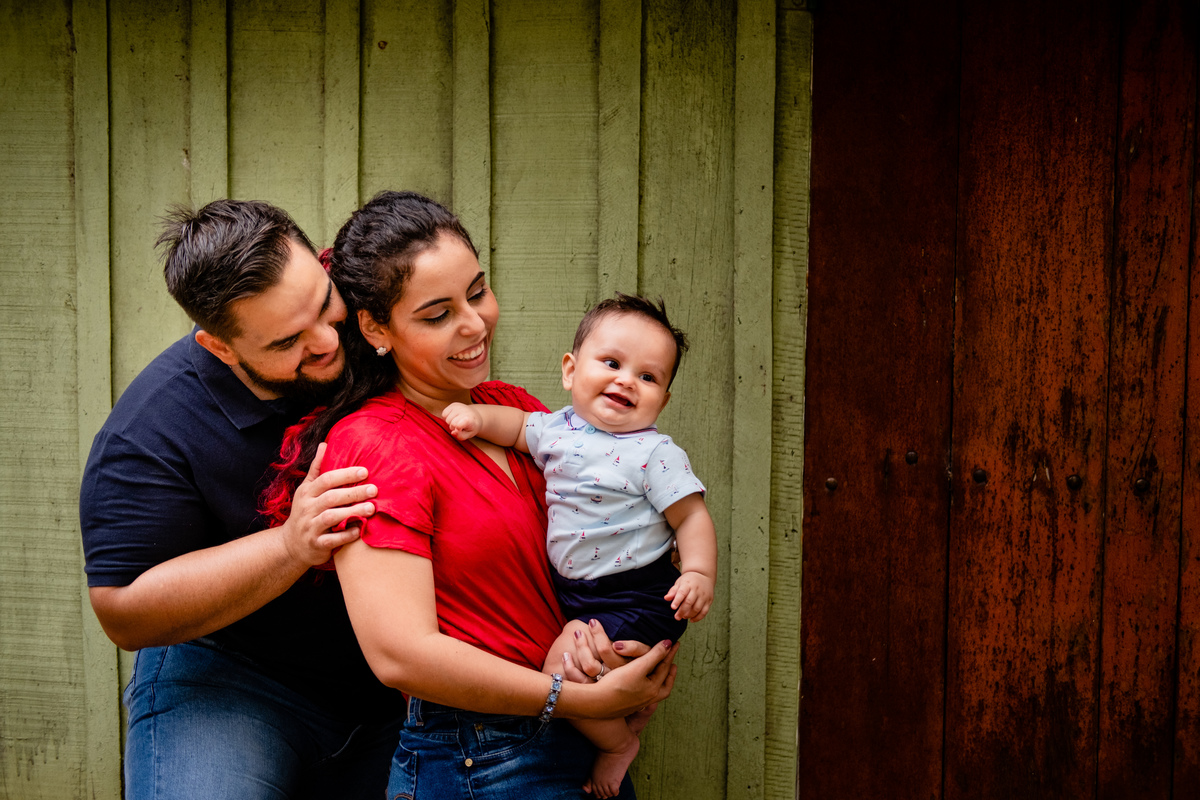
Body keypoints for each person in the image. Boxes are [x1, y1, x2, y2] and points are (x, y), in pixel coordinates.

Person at [262, 190, 678, 799]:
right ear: (376, 328)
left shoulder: (511, 410)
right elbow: (401, 655)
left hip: (580, 736)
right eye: (436, 314)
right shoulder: (375, 444)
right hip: (480, 757)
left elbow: (610, 538)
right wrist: (577, 696)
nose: (474, 323)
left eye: (477, 291)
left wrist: (625, 648)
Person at [78, 199, 406, 800]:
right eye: (287, 341)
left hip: (405, 679)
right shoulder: (150, 430)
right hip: (234, 678)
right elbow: (122, 610)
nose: (327, 340)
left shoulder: (372, 301)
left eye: (322, 303)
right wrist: (289, 545)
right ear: (220, 348)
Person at [441, 293, 717, 797]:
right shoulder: (559, 427)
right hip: (579, 592)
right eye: (611, 363)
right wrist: (479, 420)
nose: (626, 380)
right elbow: (519, 428)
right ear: (571, 370)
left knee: (561, 670)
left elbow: (691, 516)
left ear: (664, 399)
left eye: (648, 376)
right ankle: (621, 717)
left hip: (636, 593)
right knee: (587, 667)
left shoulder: (653, 453)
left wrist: (697, 573)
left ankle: (616, 745)